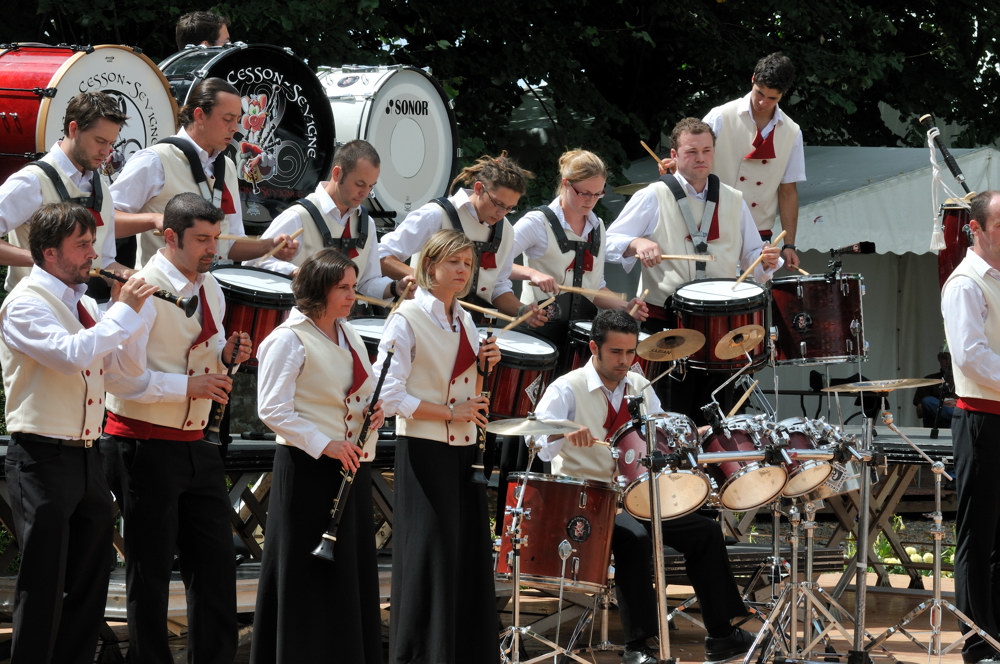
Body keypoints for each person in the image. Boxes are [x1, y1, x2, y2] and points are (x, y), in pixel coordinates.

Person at [533, 309, 754, 664]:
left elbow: (658, 436)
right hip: (588, 497)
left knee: (705, 531)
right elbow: (536, 443)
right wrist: (561, 432)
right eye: (616, 353)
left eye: (630, 352)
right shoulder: (566, 388)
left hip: (637, 495)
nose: (625, 361)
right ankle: (638, 645)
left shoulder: (639, 385)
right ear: (594, 348)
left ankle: (722, 633)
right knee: (633, 538)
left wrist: (687, 436)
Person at [0, 202, 157, 664]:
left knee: (91, 576)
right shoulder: (24, 304)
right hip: (43, 457)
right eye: (82, 245)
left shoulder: (86, 303)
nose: (93, 254)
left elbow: (120, 373)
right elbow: (71, 355)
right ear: (50, 253)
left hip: (88, 455)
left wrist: (140, 317)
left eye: (93, 243)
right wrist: (124, 313)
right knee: (44, 581)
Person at [102, 192, 253, 664]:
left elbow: (201, 356)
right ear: (170, 237)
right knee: (148, 573)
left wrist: (228, 354)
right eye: (201, 239)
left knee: (214, 567)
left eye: (216, 237)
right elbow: (119, 378)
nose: (212, 248)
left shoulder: (212, 287)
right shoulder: (142, 290)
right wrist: (189, 386)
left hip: (196, 444)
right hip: (141, 444)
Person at [250, 248, 384, 663]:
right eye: (341, 288)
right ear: (317, 290)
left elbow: (364, 389)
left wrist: (376, 411)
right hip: (307, 470)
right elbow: (271, 408)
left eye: (353, 287)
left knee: (347, 573)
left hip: (350, 467)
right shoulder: (287, 339)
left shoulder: (350, 334)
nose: (351, 295)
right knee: (306, 575)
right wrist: (324, 444)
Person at [376, 229, 501, 664]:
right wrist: (452, 412)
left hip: (464, 452)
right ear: (430, 267)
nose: (463, 271)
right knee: (431, 560)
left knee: (464, 559)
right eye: (454, 263)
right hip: (425, 451)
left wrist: (486, 366)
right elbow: (387, 396)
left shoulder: (464, 318)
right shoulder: (406, 318)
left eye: (468, 263)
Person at [605, 117, 781, 420]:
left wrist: (765, 259)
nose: (700, 158)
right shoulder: (652, 195)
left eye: (706, 151)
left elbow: (752, 255)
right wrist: (636, 244)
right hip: (667, 322)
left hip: (720, 327)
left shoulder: (734, 199)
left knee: (715, 417)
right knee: (667, 416)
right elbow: (609, 241)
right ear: (673, 155)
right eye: (691, 152)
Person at [110, 77, 299, 268]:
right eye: (227, 119)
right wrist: (153, 220)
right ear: (199, 115)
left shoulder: (227, 166)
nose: (235, 128)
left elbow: (229, 245)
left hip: (210, 290)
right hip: (163, 290)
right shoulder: (154, 160)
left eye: (237, 120)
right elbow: (106, 220)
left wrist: (268, 246)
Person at [379, 151, 546, 325]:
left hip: (475, 329)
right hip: (425, 321)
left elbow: (497, 287)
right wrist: (423, 279)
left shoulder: (506, 231)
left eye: (509, 208)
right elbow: (382, 256)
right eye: (498, 204)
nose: (501, 213)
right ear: (479, 188)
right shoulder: (436, 214)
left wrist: (522, 310)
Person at [942, 189, 1000, 664]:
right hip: (981, 419)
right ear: (975, 229)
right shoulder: (965, 284)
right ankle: (979, 642)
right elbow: (971, 358)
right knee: (978, 534)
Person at [0, 91, 134, 296]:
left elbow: (104, 262)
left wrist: (136, 278)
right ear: (74, 129)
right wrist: (41, 258)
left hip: (84, 312)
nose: (107, 152)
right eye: (100, 140)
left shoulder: (102, 189)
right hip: (33, 311)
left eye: (111, 143)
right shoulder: (31, 181)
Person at [511, 148, 648, 343]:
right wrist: (531, 273)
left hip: (580, 336)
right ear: (566, 184)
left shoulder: (597, 226)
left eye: (597, 194)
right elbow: (497, 262)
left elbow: (595, 287)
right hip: (537, 333)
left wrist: (625, 307)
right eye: (584, 193)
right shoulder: (537, 223)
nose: (591, 201)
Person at [245, 139, 411, 300]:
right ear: (337, 173)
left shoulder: (367, 224)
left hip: (339, 325)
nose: (365, 193)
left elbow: (367, 282)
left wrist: (395, 287)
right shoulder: (299, 216)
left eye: (371, 186)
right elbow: (252, 263)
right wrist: (296, 272)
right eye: (360, 184)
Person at [703, 52, 805, 270]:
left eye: (772, 98)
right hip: (713, 228)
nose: (762, 102)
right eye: (759, 93)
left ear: (783, 95)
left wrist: (790, 245)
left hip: (759, 235)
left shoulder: (792, 132)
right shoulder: (720, 116)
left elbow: (788, 190)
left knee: (753, 300)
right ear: (753, 79)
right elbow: (692, 158)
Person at [913, 349, 956, 429]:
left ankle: (955, 417)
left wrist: (958, 404)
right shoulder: (929, 380)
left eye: (952, 358)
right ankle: (955, 417)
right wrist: (940, 405)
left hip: (957, 427)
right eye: (945, 358)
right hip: (935, 424)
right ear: (939, 359)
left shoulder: (965, 382)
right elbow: (919, 413)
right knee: (927, 400)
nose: (948, 362)